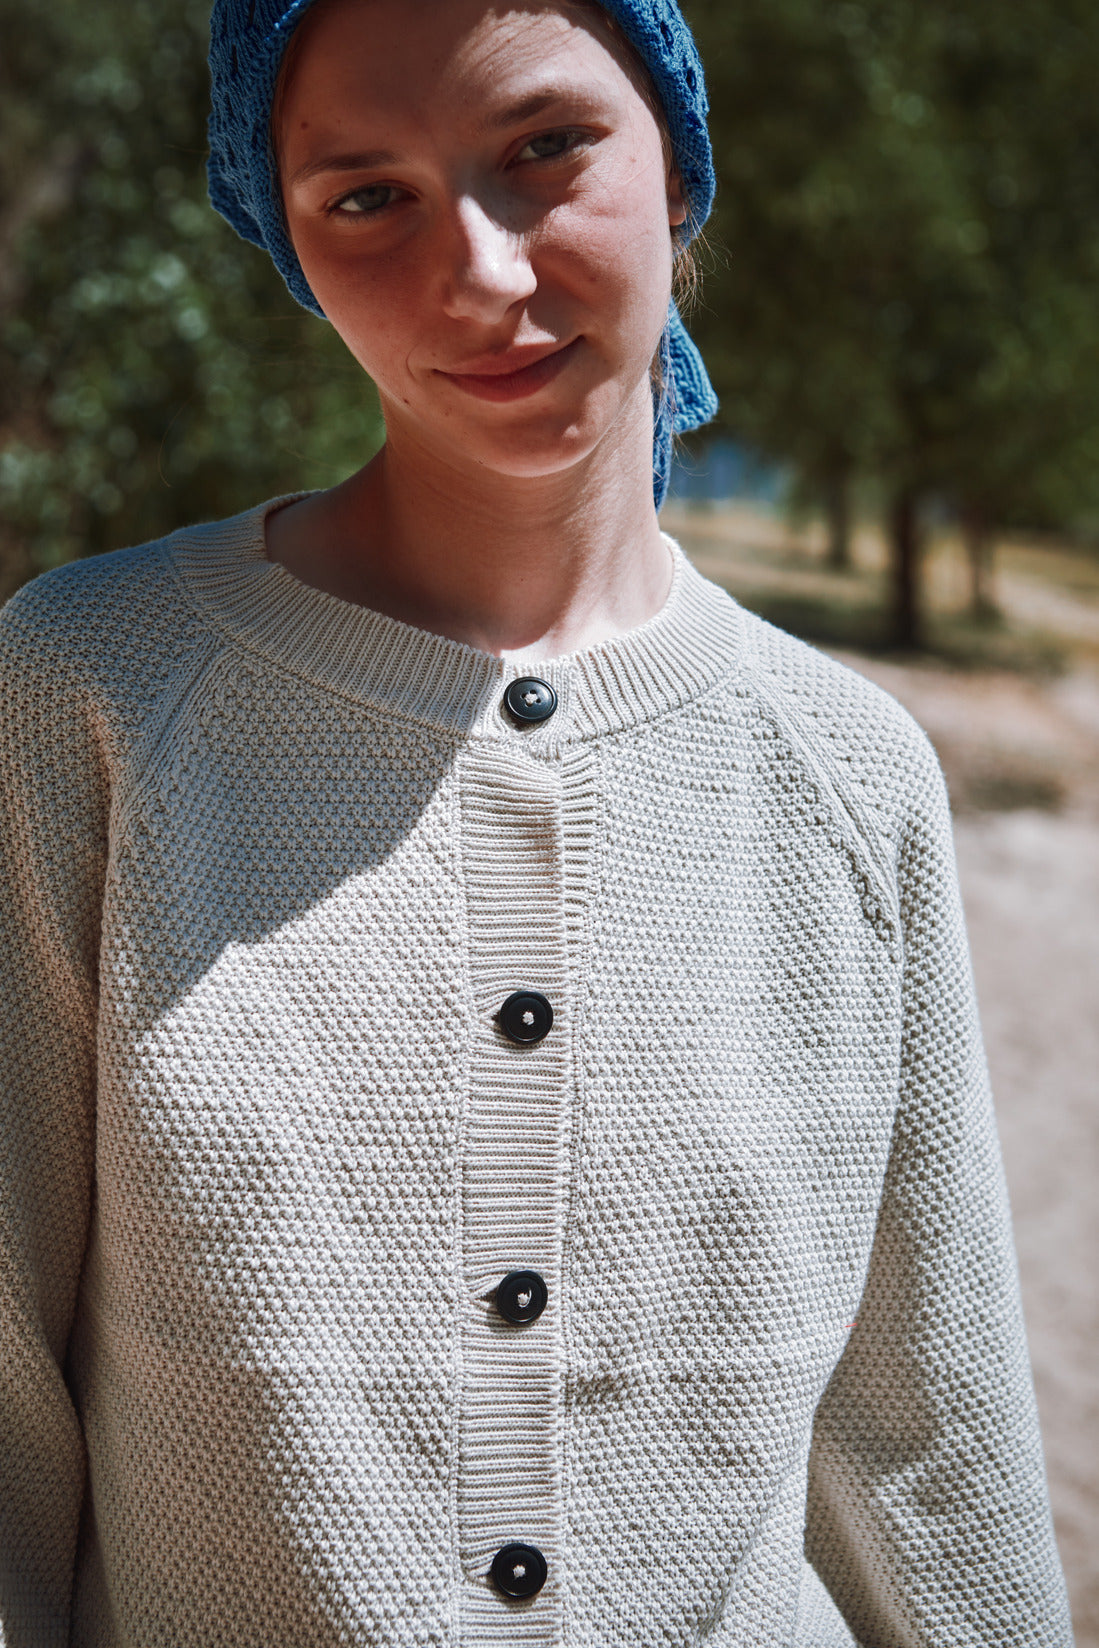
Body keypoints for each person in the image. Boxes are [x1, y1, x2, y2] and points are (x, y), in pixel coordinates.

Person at [0, 0, 1075, 1642]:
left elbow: (929, 1467)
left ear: (680, 158)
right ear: (283, 234)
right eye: (368, 196)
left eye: (544, 150)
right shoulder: (87, 699)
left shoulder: (854, 778)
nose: (485, 276)